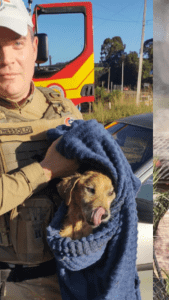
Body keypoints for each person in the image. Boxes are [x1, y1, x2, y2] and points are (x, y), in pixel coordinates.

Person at [0, 0, 82, 298]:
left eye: (17, 44)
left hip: (63, 283)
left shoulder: (62, 109)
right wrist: (45, 170)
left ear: (35, 48)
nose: (5, 58)